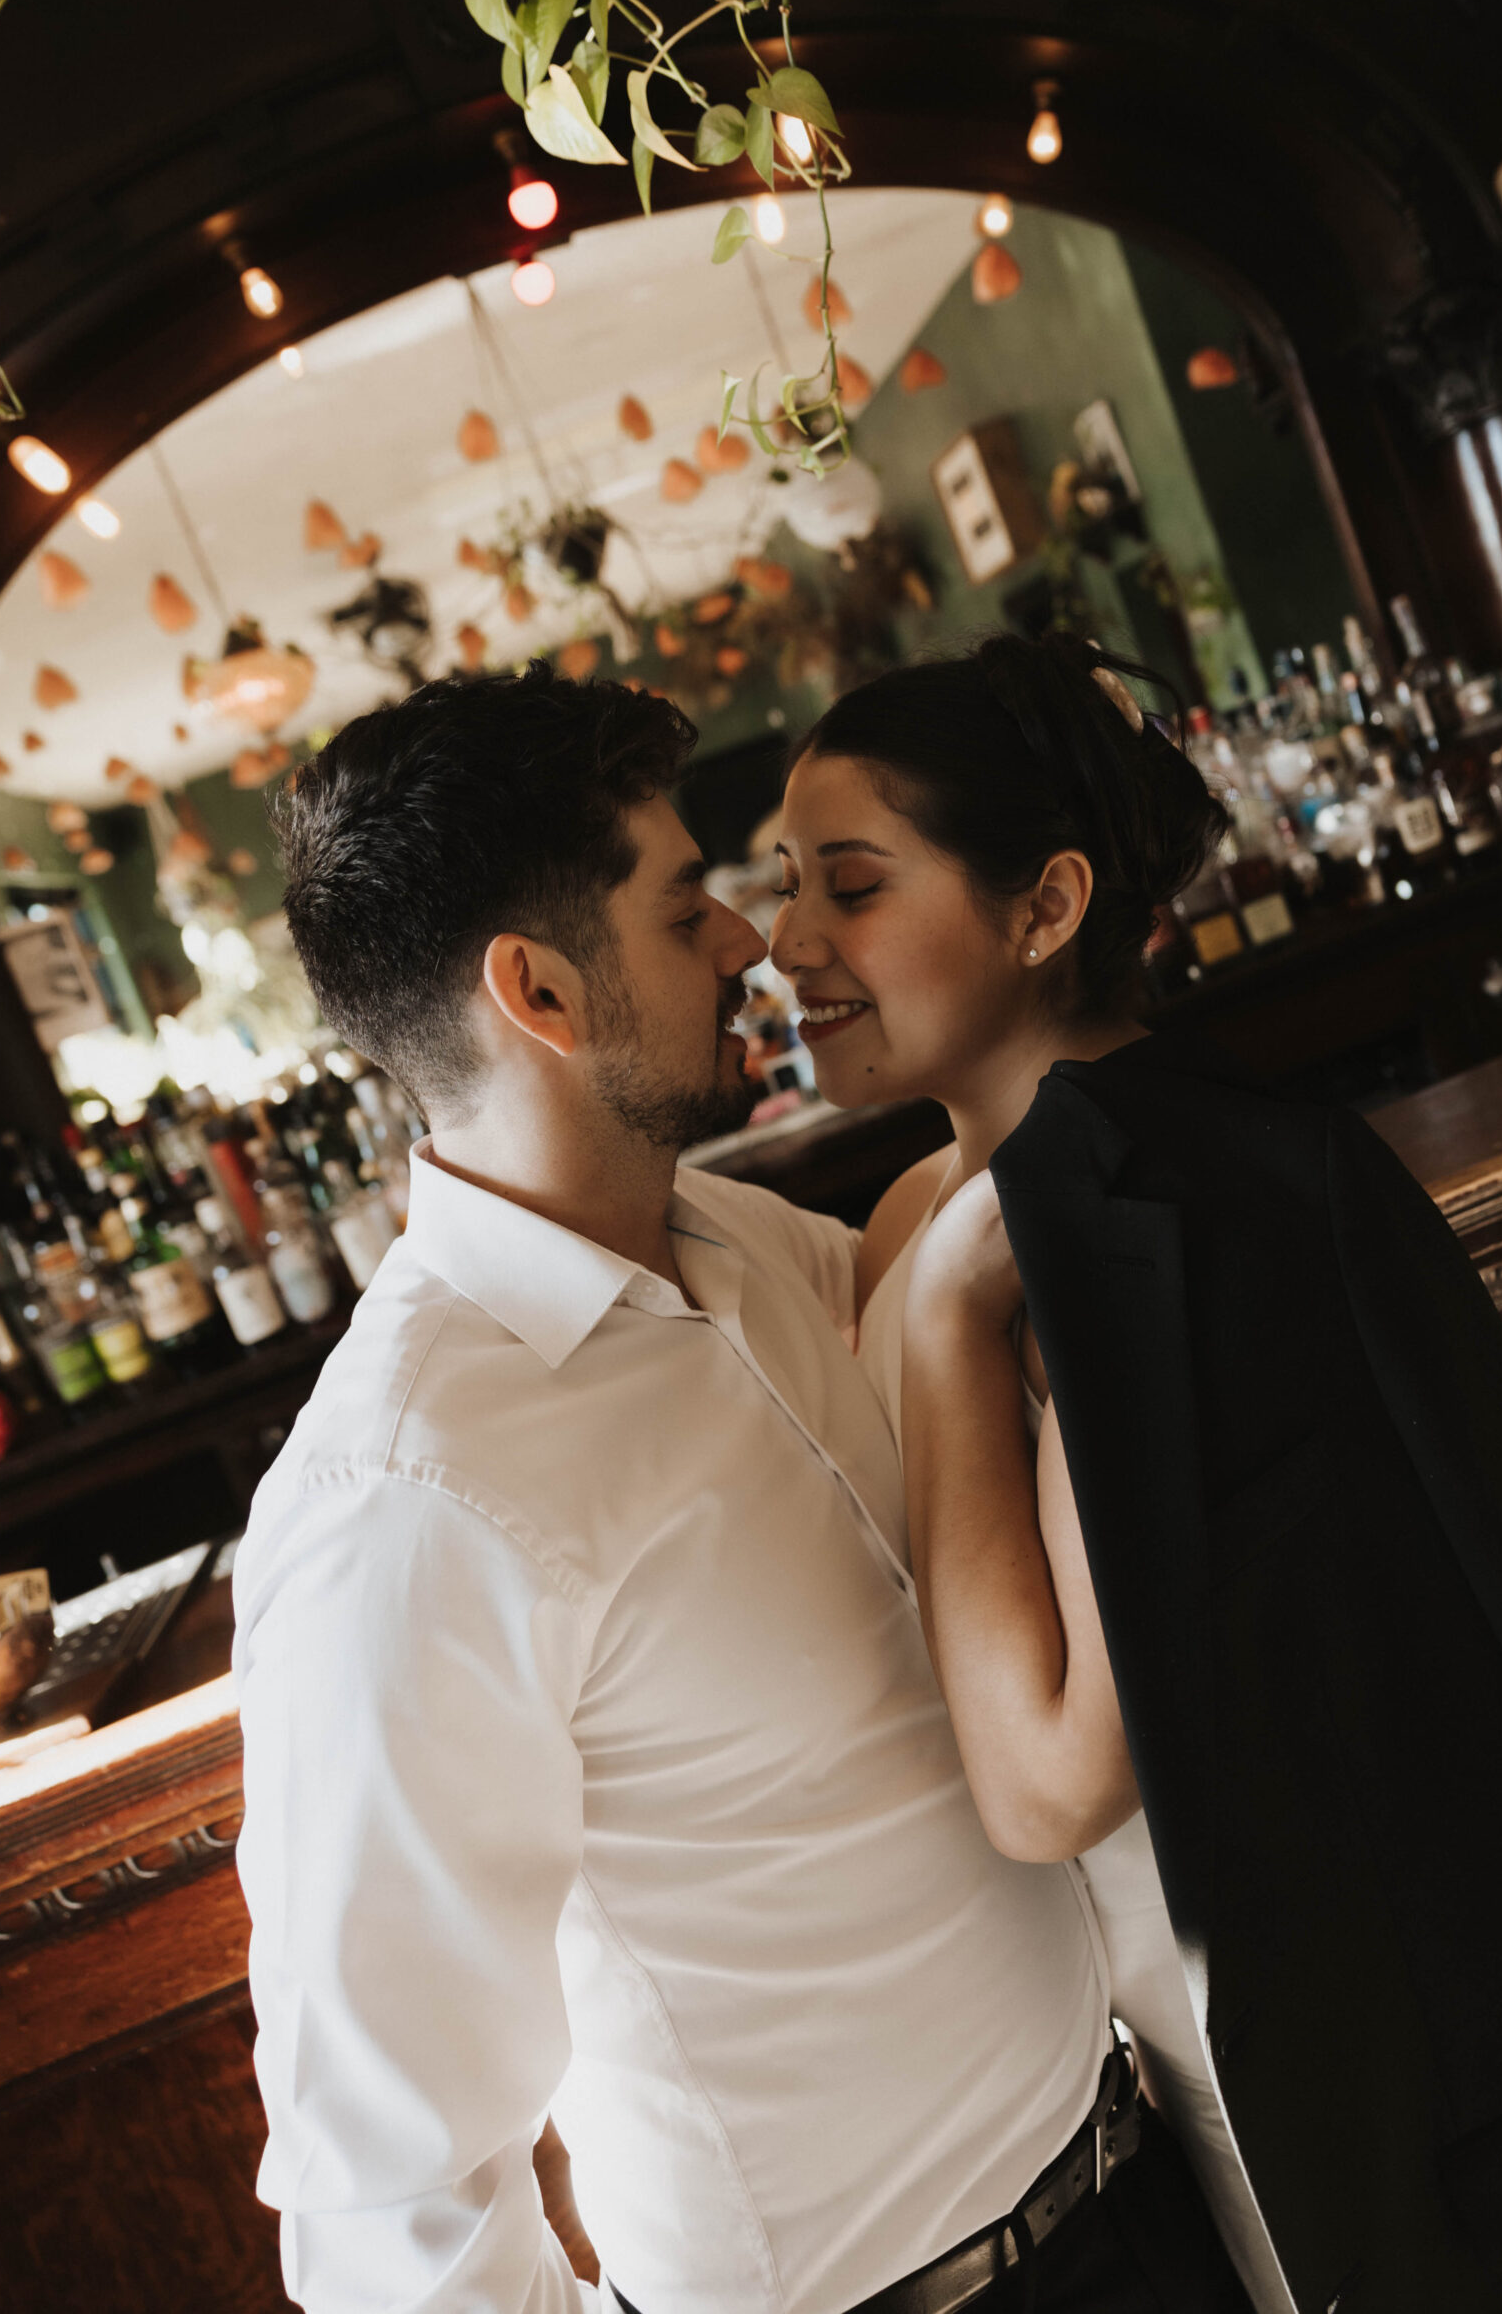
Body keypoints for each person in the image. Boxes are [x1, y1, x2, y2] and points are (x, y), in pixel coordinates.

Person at [233, 663, 1250, 2314]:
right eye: (684, 900)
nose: (749, 941)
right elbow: (388, 2206)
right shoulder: (407, 1501)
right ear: (542, 993)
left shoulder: (753, 1248)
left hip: (1143, 2197)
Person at [770, 630, 1502, 2314]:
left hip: (1283, 2013)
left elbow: (1054, 1777)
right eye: (776, 888)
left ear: (1044, 906)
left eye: (851, 886)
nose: (788, 943)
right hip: (1074, 2084)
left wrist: (960, 1332)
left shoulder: (1136, 1219)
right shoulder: (925, 1209)